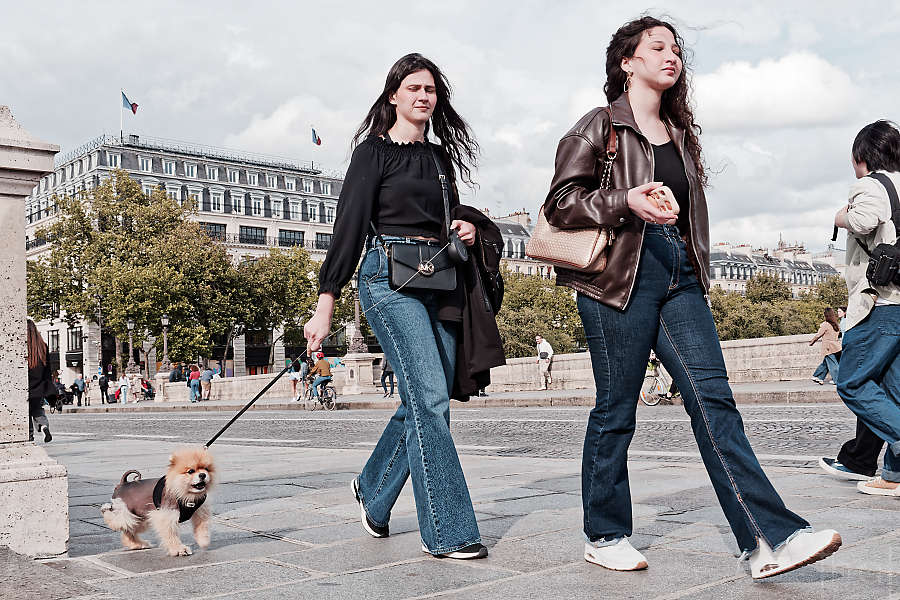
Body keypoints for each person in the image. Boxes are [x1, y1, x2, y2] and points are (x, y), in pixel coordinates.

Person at [543, 16, 841, 578]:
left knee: (714, 401)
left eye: (676, 49)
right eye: (657, 46)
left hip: (678, 271)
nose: (671, 55)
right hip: (617, 275)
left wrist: (692, 260)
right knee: (616, 410)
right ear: (627, 61)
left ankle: (767, 539)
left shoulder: (680, 135)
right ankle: (604, 533)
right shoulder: (599, 126)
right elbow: (560, 202)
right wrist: (626, 199)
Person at [304, 53, 489, 560]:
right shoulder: (373, 153)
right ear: (394, 95)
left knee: (427, 399)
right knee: (429, 399)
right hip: (386, 280)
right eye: (413, 87)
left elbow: (445, 218)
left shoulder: (437, 158)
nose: (423, 96)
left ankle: (373, 489)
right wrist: (325, 306)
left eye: (431, 89)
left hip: (439, 281)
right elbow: (348, 229)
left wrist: (465, 226)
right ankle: (448, 532)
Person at [832, 119, 900, 497]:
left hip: (879, 303)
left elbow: (861, 219)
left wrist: (839, 216)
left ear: (862, 156)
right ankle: (894, 475)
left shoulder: (871, 184)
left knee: (853, 382)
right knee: (895, 391)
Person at [26, 319, 54, 442]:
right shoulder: (43, 346)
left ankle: (29, 437)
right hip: (38, 388)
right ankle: (44, 427)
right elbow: (48, 371)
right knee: (37, 409)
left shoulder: (22, 346)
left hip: (25, 387)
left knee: (25, 414)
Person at [809, 308, 842, 385]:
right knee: (826, 363)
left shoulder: (825, 324)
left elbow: (818, 335)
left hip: (828, 347)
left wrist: (812, 342)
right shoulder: (836, 324)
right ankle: (819, 377)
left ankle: (836, 380)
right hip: (836, 346)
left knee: (833, 364)